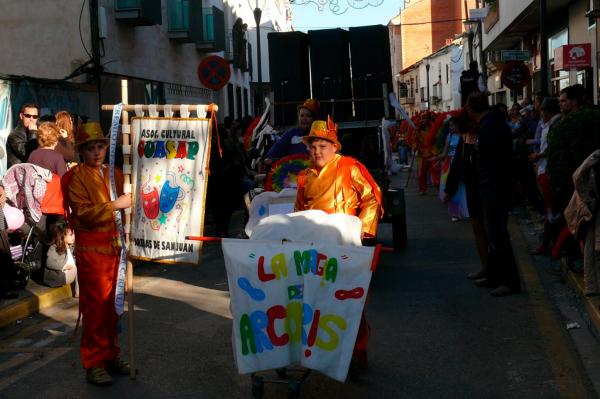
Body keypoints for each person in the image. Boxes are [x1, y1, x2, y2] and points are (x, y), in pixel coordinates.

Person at [294, 116, 383, 375]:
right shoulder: (304, 176)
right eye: (312, 146)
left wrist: (362, 231)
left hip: (346, 246)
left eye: (322, 146)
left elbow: (371, 198)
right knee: (316, 300)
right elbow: (299, 211)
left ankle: (358, 351)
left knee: (350, 300)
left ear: (334, 146)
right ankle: (322, 350)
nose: (316, 151)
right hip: (314, 249)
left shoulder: (349, 167)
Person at [61, 121, 131, 385]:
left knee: (114, 306)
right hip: (92, 253)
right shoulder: (76, 177)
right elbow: (82, 214)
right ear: (82, 151)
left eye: (100, 146)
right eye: (91, 148)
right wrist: (115, 205)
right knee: (97, 308)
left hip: (116, 251)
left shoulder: (114, 173)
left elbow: (127, 209)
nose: (97, 152)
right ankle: (93, 362)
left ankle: (110, 354)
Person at [466, 91, 521, 296]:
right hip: (494, 186)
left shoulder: (490, 127)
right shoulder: (492, 124)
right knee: (493, 235)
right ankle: (495, 276)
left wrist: (487, 186)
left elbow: (493, 162)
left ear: (471, 108)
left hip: (495, 188)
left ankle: (510, 281)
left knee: (498, 235)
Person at [444, 115, 488, 280]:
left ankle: (494, 270)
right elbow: (457, 164)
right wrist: (449, 188)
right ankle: (486, 267)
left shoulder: (486, 133)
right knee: (477, 228)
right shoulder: (464, 138)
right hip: (472, 187)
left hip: (487, 189)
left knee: (490, 231)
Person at [529, 97, 561, 255]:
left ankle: (548, 243)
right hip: (543, 168)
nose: (540, 113)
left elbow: (552, 147)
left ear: (547, 111)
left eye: (542, 110)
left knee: (551, 210)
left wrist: (539, 155)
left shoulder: (556, 124)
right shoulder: (547, 124)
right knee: (550, 209)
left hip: (548, 169)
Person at [432, 116, 469, 221]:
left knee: (463, 188)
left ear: (458, 125)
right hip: (450, 166)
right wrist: (435, 158)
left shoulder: (465, 136)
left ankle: (465, 211)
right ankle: (454, 213)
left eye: (452, 125)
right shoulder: (449, 136)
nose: (450, 128)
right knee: (452, 189)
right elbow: (444, 153)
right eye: (449, 126)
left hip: (462, 165)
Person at [264, 99, 320, 164]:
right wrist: (269, 158)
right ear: (298, 118)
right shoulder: (291, 133)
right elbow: (275, 151)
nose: (304, 118)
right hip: (293, 172)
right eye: (302, 115)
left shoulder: (320, 135)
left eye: (308, 116)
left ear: (314, 119)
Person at [44, 218, 78, 297]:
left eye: (74, 234)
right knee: (78, 267)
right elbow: (49, 262)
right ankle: (78, 292)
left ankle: (80, 291)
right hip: (59, 277)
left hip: (68, 275)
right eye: (71, 235)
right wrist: (64, 266)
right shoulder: (55, 247)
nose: (73, 237)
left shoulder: (71, 246)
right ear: (62, 236)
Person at [6, 103, 40, 168]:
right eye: (28, 115)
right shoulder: (14, 135)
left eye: (35, 116)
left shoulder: (37, 132)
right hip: (18, 175)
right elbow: (27, 153)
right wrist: (33, 132)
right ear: (21, 116)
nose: (31, 119)